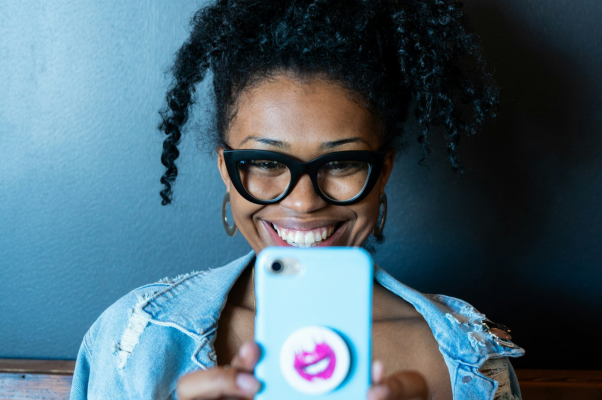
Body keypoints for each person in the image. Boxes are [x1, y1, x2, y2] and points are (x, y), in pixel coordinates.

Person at [70, 0, 524, 399]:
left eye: (341, 163)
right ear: (226, 170)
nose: (305, 203)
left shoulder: (467, 360)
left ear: (382, 171)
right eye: (266, 163)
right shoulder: (137, 342)